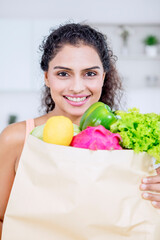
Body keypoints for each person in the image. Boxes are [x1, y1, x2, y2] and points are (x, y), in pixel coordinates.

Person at [0, 22, 160, 238]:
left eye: (90, 74)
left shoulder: (129, 138)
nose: (77, 87)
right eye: (63, 74)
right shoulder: (17, 138)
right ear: (47, 77)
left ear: (103, 76)